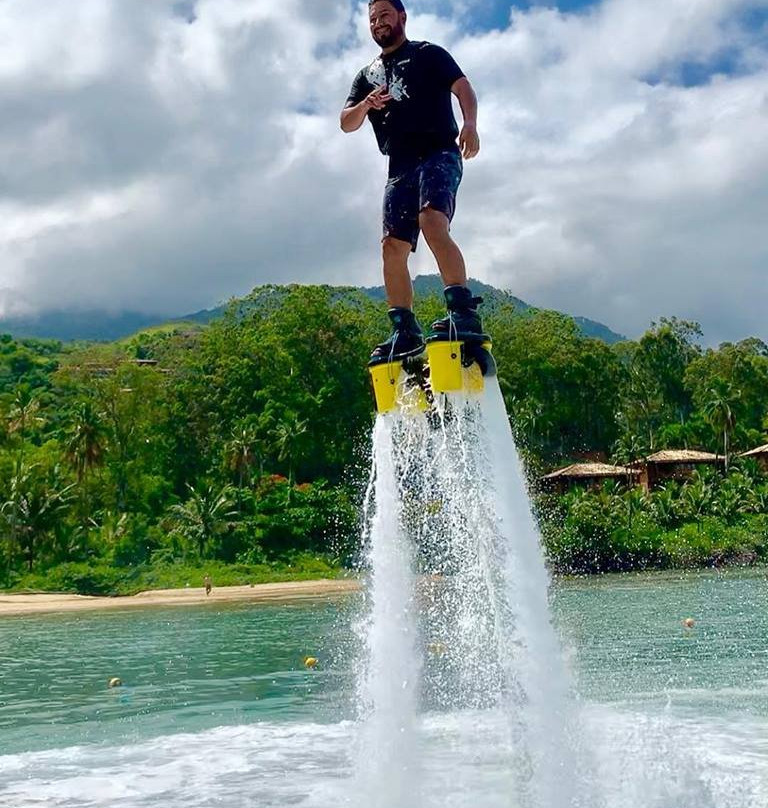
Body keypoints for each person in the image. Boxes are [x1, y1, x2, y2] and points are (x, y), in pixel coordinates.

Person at [341, 0, 485, 366]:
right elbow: (346, 122)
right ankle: (403, 329)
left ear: (402, 17)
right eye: (372, 19)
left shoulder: (428, 54)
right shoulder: (367, 75)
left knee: (432, 221)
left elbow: (463, 87)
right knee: (391, 246)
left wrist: (470, 124)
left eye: (384, 15)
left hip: (438, 152)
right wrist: (366, 105)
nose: (378, 23)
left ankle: (461, 308)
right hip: (400, 166)